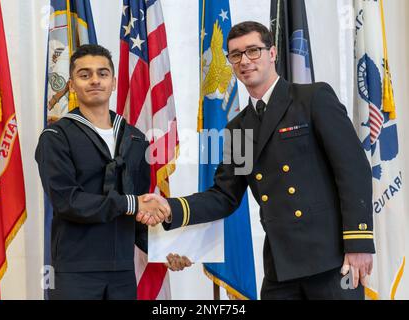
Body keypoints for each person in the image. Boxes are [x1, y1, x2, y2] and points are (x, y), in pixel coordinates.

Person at [139, 21, 375, 300]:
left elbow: (353, 170)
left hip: (331, 259)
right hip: (281, 265)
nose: (244, 61)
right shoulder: (237, 129)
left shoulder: (311, 98)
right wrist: (171, 207)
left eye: (253, 51)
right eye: (236, 55)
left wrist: (359, 242)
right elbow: (224, 196)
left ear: (272, 53)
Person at [35, 44, 190, 300]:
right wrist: (131, 203)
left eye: (102, 73)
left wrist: (164, 250)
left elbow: (139, 209)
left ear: (114, 82)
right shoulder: (56, 137)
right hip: (76, 271)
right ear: (72, 84)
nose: (95, 80)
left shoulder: (135, 138)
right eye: (85, 75)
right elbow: (67, 201)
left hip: (122, 271)